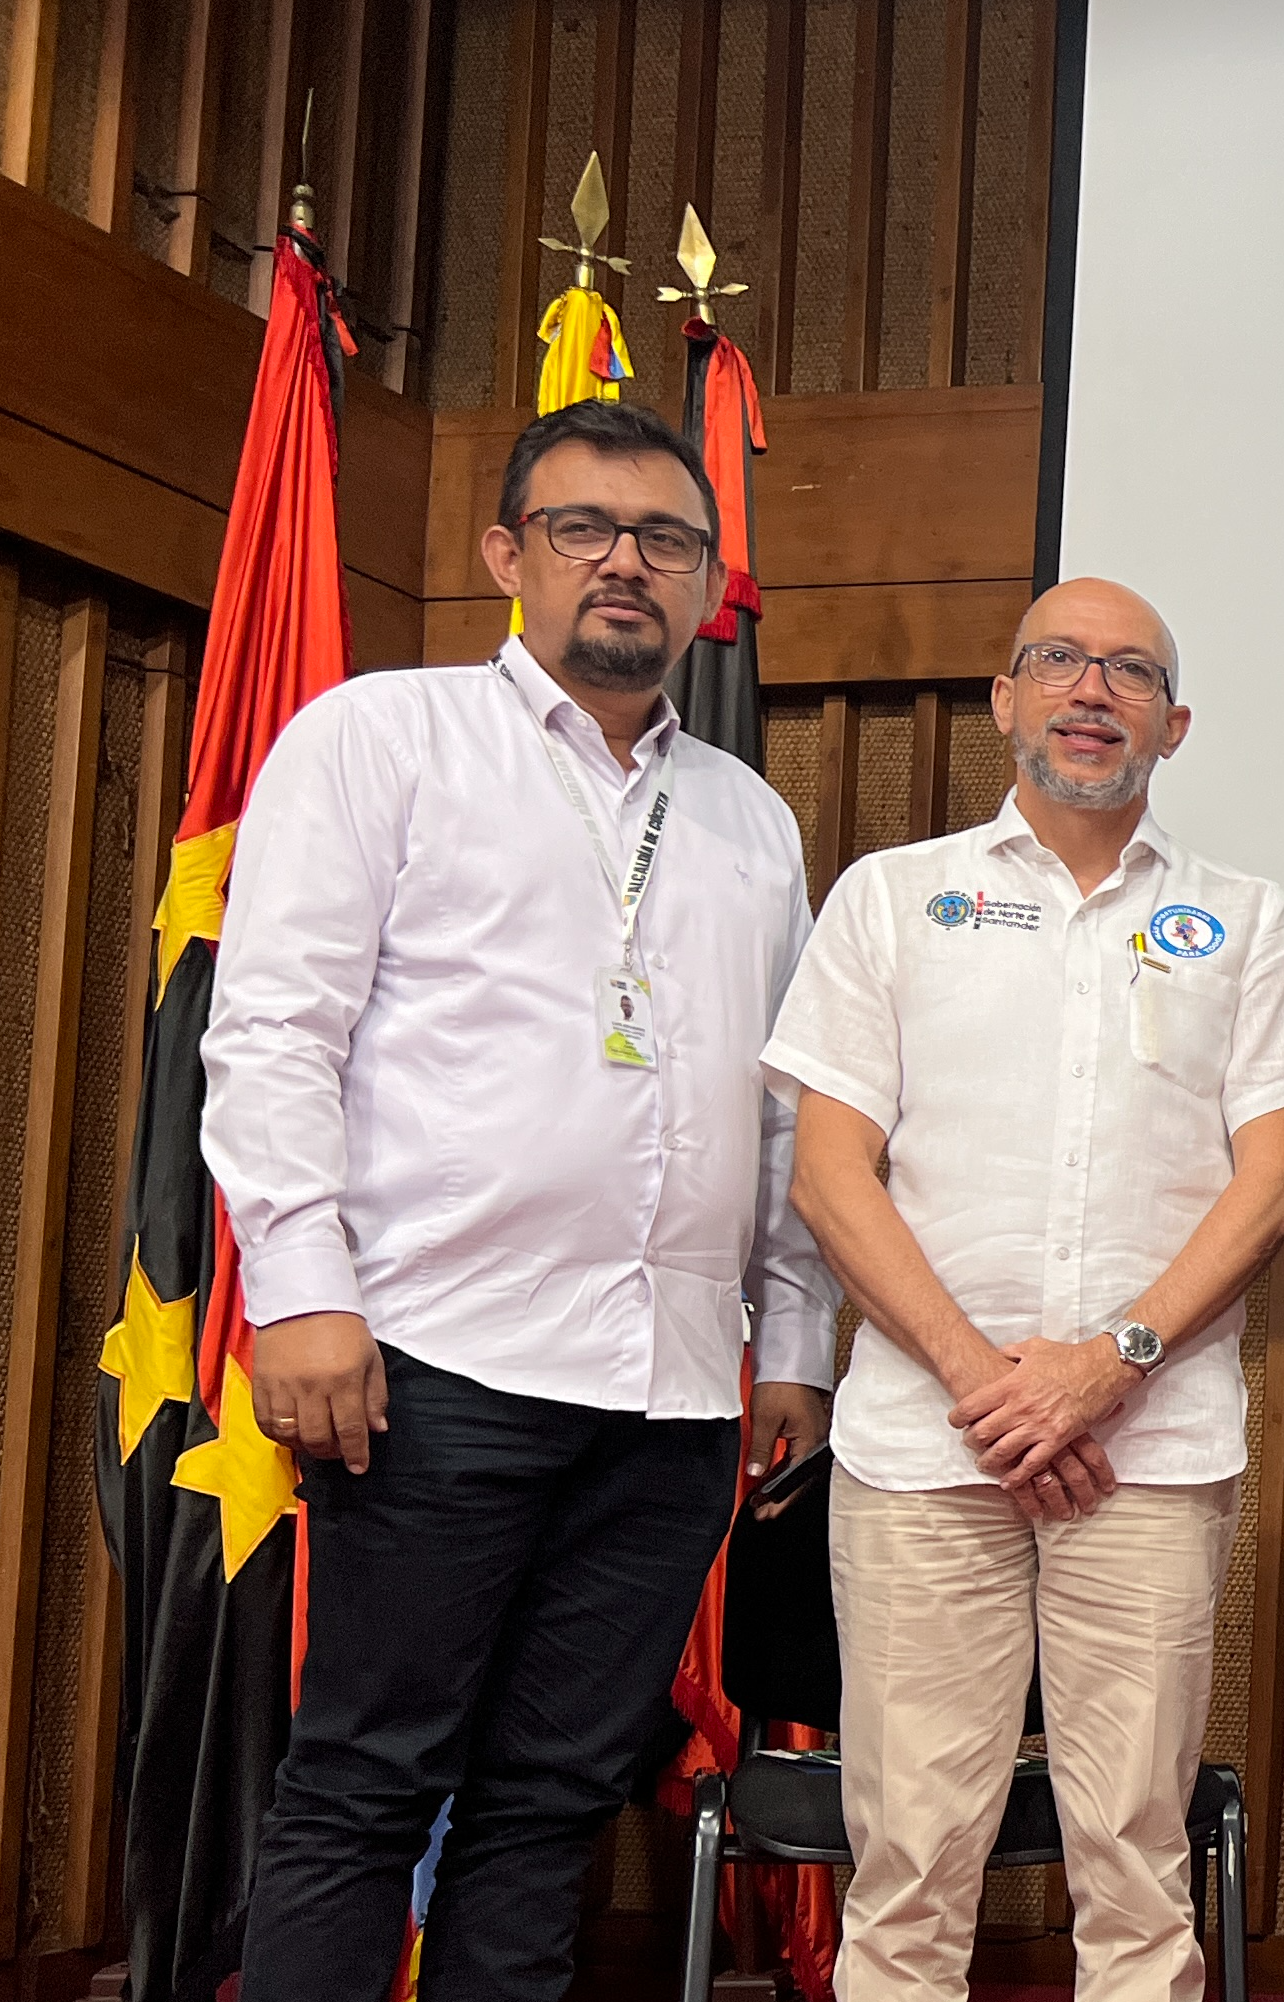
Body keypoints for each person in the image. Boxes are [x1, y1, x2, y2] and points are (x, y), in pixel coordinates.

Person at [201, 400, 833, 2002]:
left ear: (705, 585)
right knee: (366, 1780)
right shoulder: (379, 737)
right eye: (582, 529)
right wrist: (301, 1289)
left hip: (670, 1393)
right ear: (506, 554)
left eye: (667, 540)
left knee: (550, 1803)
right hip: (430, 1360)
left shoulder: (751, 822)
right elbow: (275, 1029)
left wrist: (792, 1339)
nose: (626, 564)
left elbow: (777, 1110)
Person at [765, 580, 1284, 2002]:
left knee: (1137, 1865)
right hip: (922, 1450)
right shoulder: (890, 898)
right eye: (1059, 662)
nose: (1094, 690)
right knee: (905, 1863)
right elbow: (831, 1173)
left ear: (1176, 719)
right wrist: (989, 1377)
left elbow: (1271, 1182)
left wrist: (1107, 1364)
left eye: (1132, 671)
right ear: (1003, 699)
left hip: (1144, 1452)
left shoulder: (1248, 919)